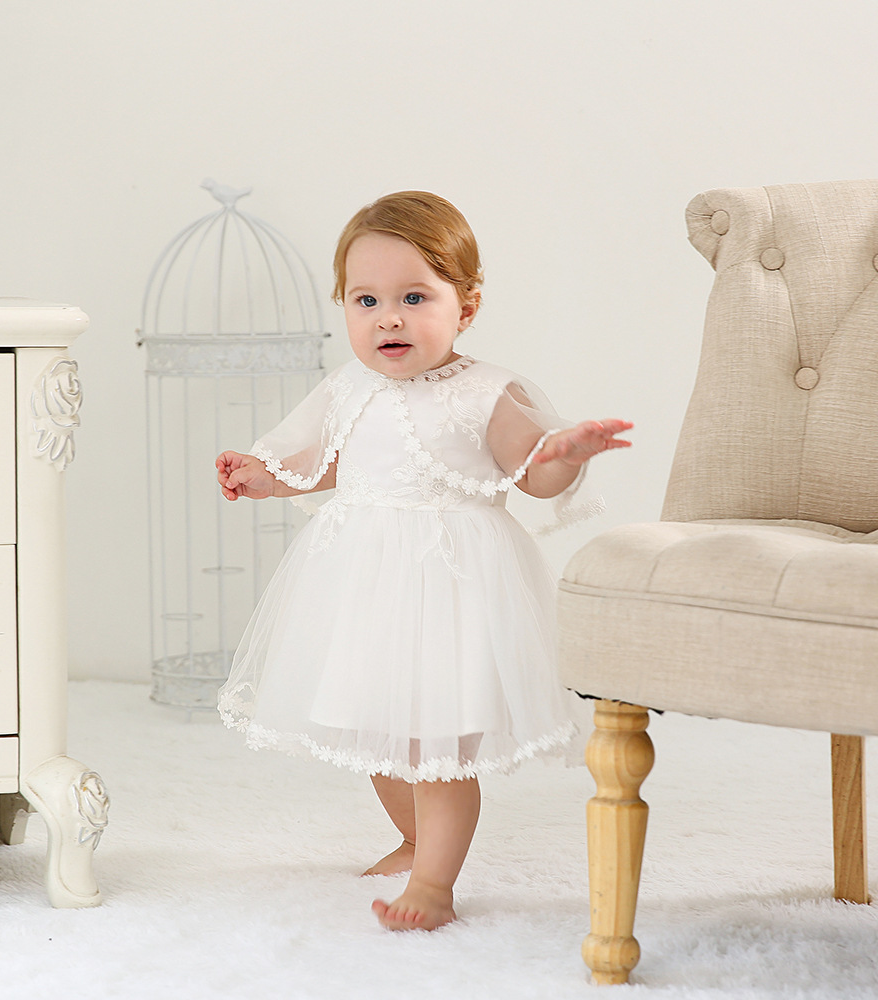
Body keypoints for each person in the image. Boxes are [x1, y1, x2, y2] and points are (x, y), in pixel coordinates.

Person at [216, 191, 631, 932]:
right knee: (377, 736)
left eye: (414, 298)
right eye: (366, 300)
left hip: (450, 589)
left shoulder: (485, 392)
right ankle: (411, 841)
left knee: (432, 746)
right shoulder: (349, 385)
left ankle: (435, 884)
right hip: (364, 585)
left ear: (465, 306)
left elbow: (532, 475)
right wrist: (265, 476)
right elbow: (324, 462)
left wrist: (564, 453)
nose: (389, 318)